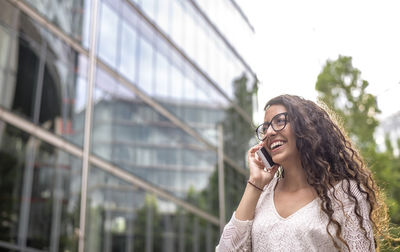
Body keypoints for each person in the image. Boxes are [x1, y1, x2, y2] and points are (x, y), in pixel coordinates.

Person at [216, 94, 393, 251]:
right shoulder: (262, 194)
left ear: (305, 126)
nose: (269, 132)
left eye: (279, 121)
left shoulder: (346, 194)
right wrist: (255, 183)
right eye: (265, 127)